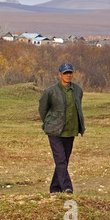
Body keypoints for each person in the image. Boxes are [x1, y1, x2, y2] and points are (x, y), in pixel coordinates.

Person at [38, 63, 85, 194]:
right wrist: (49, 122)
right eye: (65, 73)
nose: (68, 75)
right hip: (55, 132)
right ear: (60, 75)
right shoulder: (50, 91)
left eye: (70, 72)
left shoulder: (77, 90)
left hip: (71, 131)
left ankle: (54, 189)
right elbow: (42, 109)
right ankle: (66, 187)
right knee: (61, 161)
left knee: (63, 162)